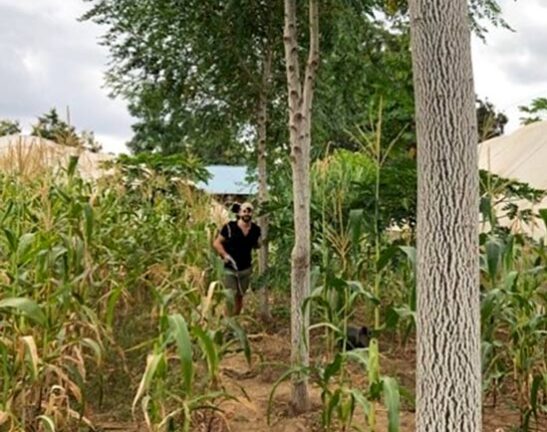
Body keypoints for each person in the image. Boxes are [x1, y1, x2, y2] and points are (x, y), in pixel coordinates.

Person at [213, 201, 261, 315]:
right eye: (244, 211)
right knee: (230, 296)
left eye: (249, 212)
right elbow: (217, 243)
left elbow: (257, 245)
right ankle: (228, 324)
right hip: (230, 268)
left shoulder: (255, 230)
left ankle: (235, 321)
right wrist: (224, 255)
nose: (247, 214)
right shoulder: (229, 227)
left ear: (252, 214)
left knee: (239, 297)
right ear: (239, 213)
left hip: (245, 269)